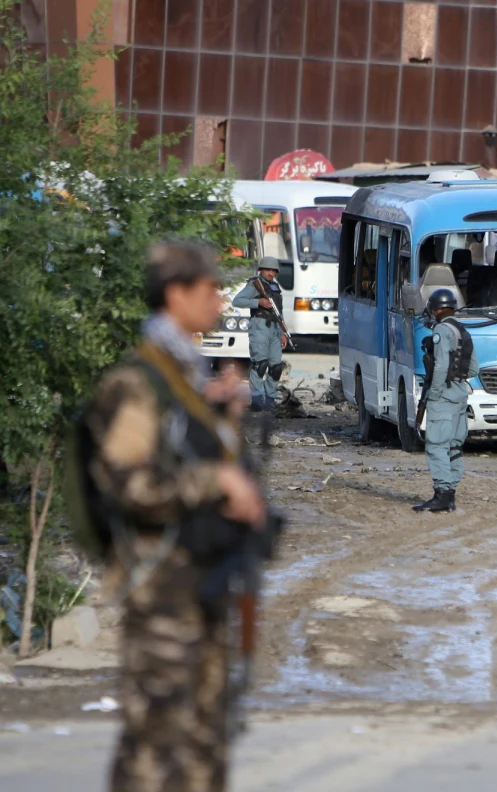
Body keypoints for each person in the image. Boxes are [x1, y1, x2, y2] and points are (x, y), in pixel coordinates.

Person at [85, 241, 267, 791]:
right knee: (157, 741)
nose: (218, 302)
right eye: (209, 289)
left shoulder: (182, 379)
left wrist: (218, 417)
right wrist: (215, 478)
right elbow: (130, 483)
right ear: (176, 294)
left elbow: (180, 454)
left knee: (205, 737)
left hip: (202, 582)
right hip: (162, 589)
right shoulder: (138, 383)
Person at [413, 288, 479, 513]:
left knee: (437, 445)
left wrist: (435, 394)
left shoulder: (441, 329)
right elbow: (474, 368)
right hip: (460, 393)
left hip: (444, 395)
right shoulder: (462, 330)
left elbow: (440, 366)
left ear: (436, 309)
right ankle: (449, 495)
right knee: (454, 446)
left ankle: (441, 495)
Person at [231, 257, 287, 411]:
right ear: (261, 270)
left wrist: (283, 332)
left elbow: (279, 312)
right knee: (260, 364)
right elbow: (237, 301)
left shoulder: (275, 287)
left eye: (273, 270)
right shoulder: (255, 285)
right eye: (267, 270)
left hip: (275, 328)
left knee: (276, 366)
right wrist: (258, 302)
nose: (270, 273)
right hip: (259, 326)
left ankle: (270, 399)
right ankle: (256, 400)